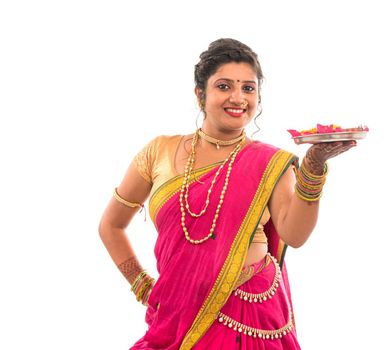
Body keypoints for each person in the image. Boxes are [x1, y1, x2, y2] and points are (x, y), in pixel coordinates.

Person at [99, 38, 356, 350]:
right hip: (175, 312)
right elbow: (111, 225)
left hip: (250, 312)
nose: (238, 98)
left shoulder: (270, 163)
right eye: (224, 86)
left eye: (248, 88)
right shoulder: (160, 152)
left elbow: (295, 234)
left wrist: (313, 167)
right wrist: (142, 286)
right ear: (200, 94)